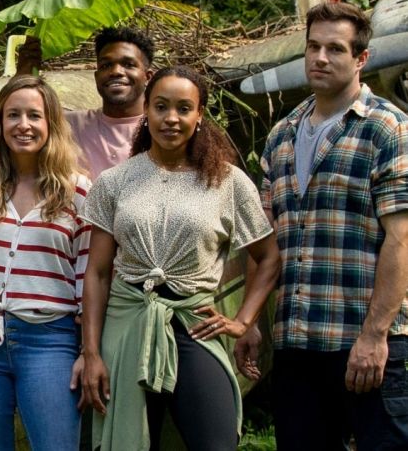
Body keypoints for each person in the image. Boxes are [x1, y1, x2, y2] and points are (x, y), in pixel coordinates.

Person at [234, 2, 408, 450]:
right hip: (297, 342)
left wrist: (374, 336)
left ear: (361, 59)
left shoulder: (387, 129)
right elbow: (265, 242)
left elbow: (402, 239)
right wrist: (249, 321)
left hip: (367, 344)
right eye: (313, 47)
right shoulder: (281, 135)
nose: (320, 58)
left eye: (335, 48)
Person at [80, 66, 280, 451]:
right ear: (147, 111)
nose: (171, 118)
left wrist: (243, 321)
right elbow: (98, 274)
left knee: (217, 441)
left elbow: (268, 257)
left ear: (199, 114)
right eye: (161, 107)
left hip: (193, 323)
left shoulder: (228, 181)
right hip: (125, 327)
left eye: (183, 108)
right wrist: (92, 354)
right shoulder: (115, 181)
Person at [0, 75, 90, 449]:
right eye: (13, 115)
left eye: (34, 115)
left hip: (50, 338)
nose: (23, 125)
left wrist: (88, 352)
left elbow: (88, 278)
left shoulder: (78, 191)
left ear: (51, 124)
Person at [18, 27, 154, 180]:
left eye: (128, 65)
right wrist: (23, 73)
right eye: (106, 65)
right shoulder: (68, 125)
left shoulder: (162, 130)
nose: (116, 71)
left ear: (148, 77)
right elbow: (7, 131)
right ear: (96, 77)